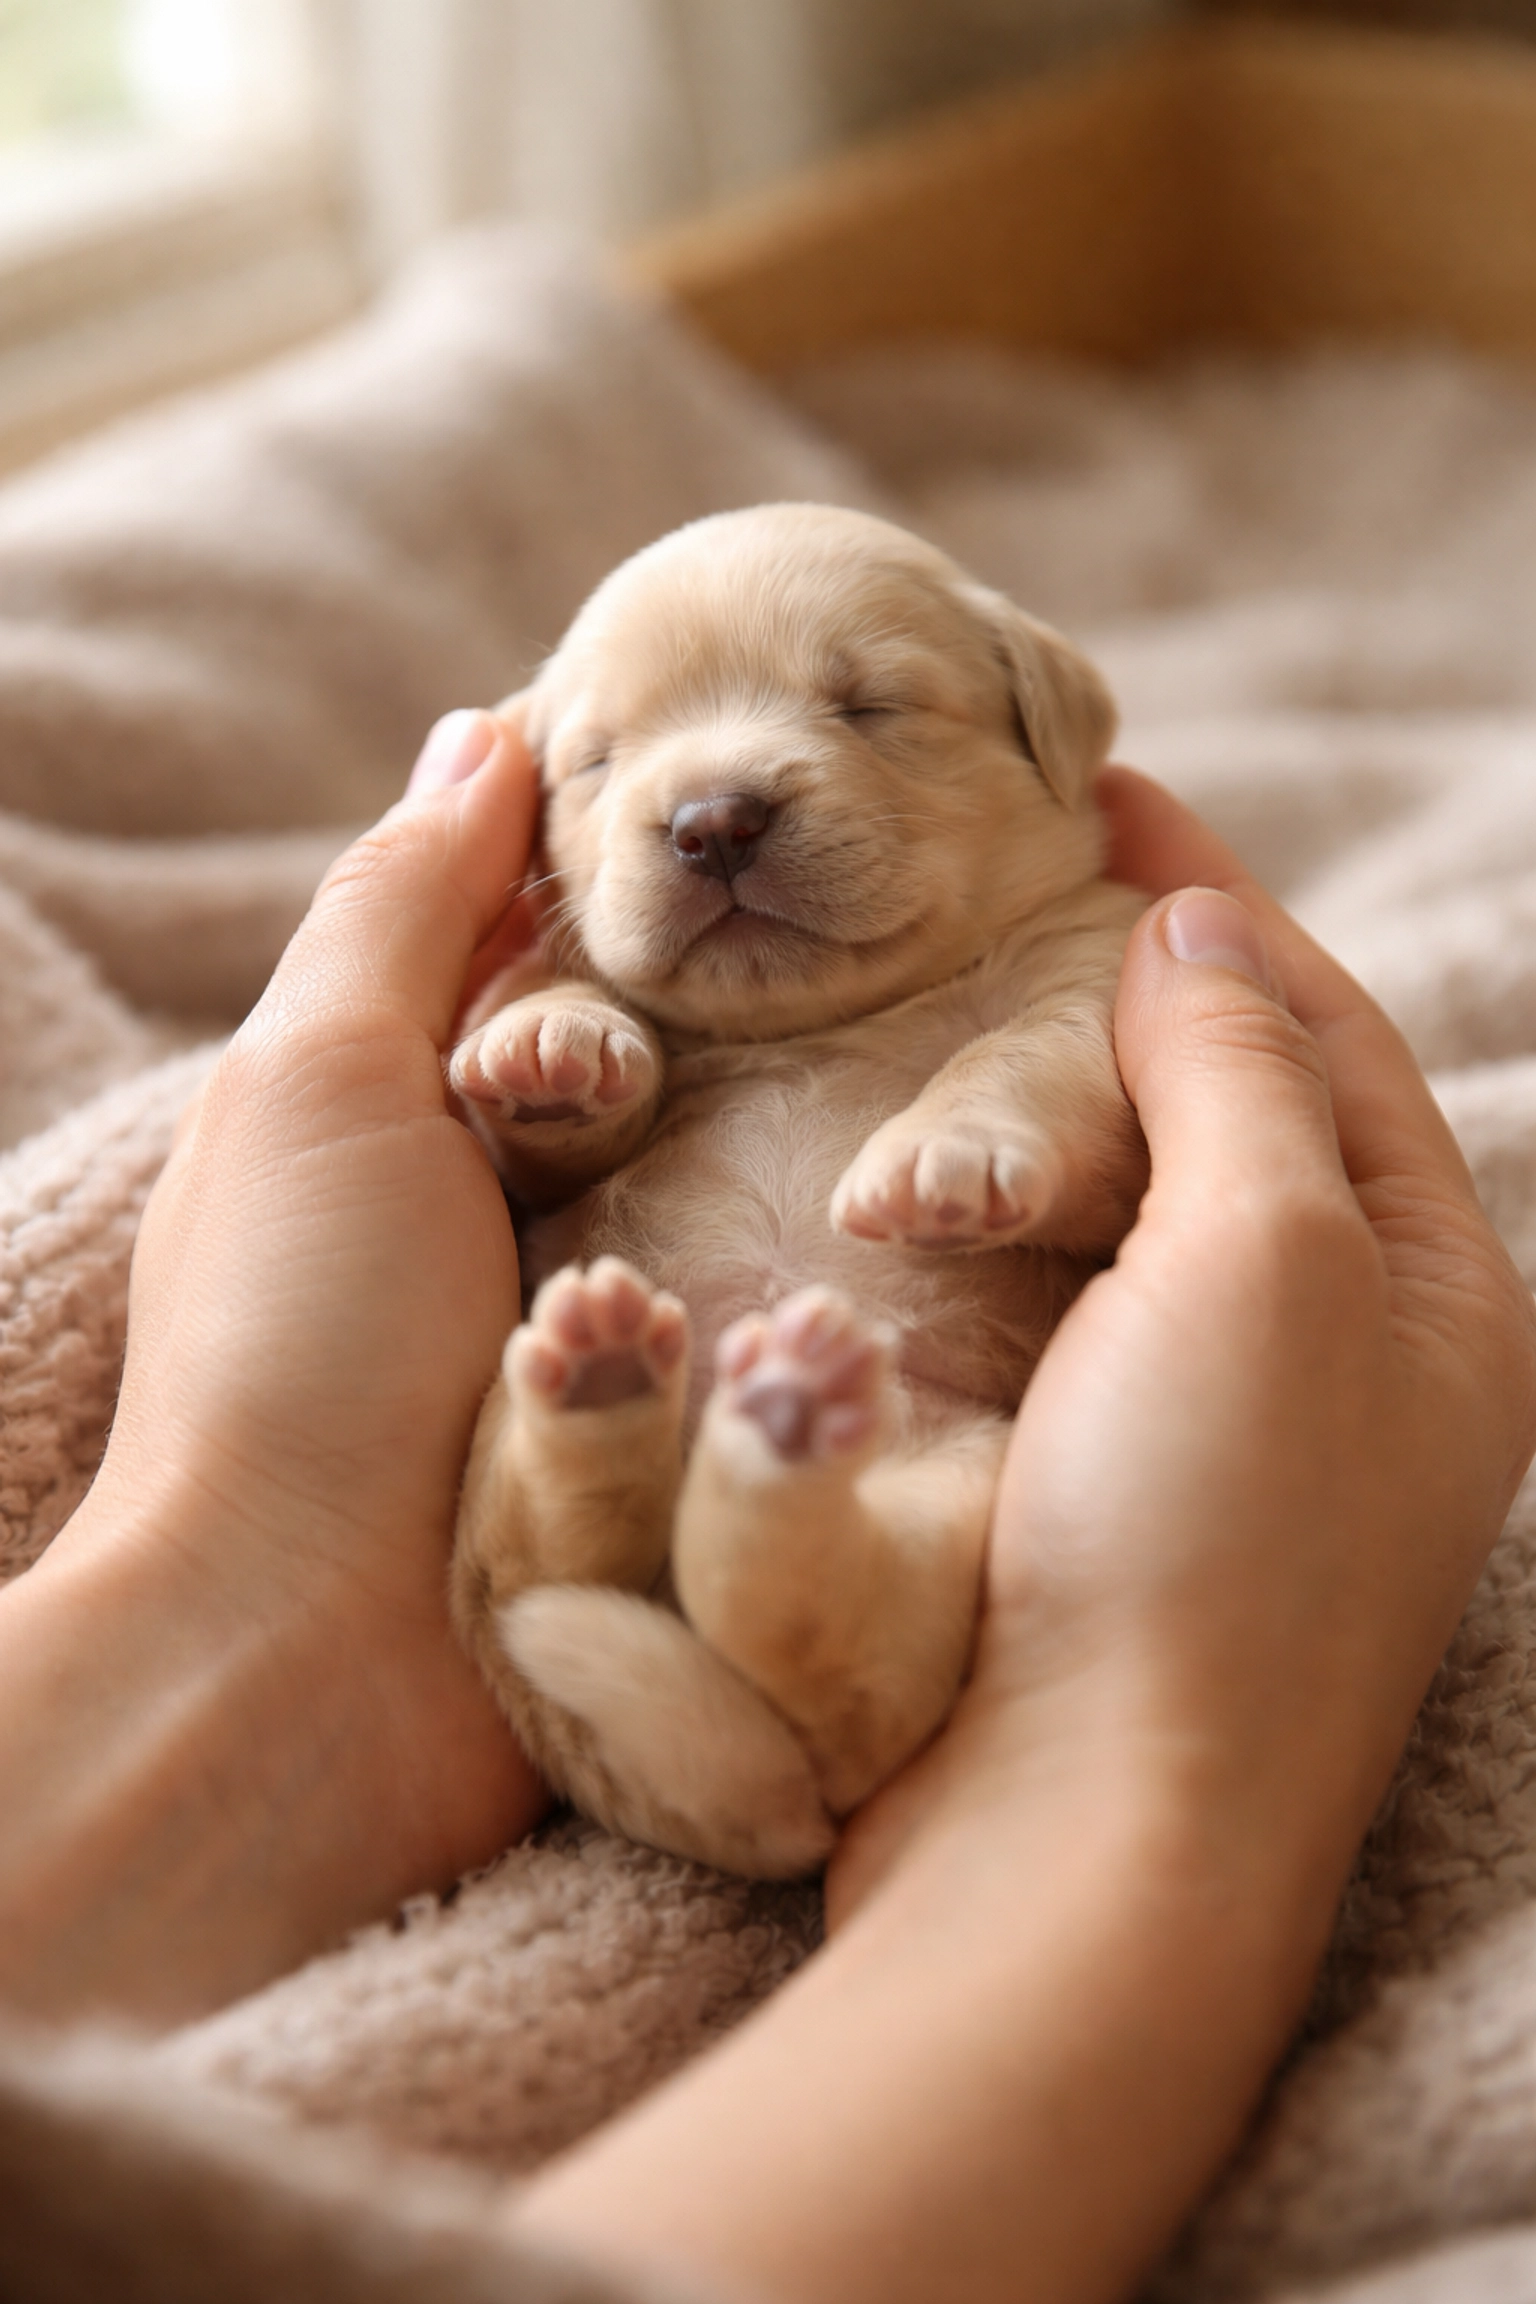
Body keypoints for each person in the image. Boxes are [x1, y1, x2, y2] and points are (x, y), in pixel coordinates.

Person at [0, 705, 1530, 2304]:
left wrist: (264, 1561)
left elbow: (1081, 1071)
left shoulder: (1081, 941)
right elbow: (543, 1103)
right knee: (558, 1432)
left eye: (866, 707)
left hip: (908, 1462)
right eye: (601, 763)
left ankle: (777, 1531)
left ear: (1044, 722)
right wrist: (1137, 1737)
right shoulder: (596, 990)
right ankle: (672, 1512)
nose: (715, 799)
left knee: (915, 1496)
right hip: (629, 1525)